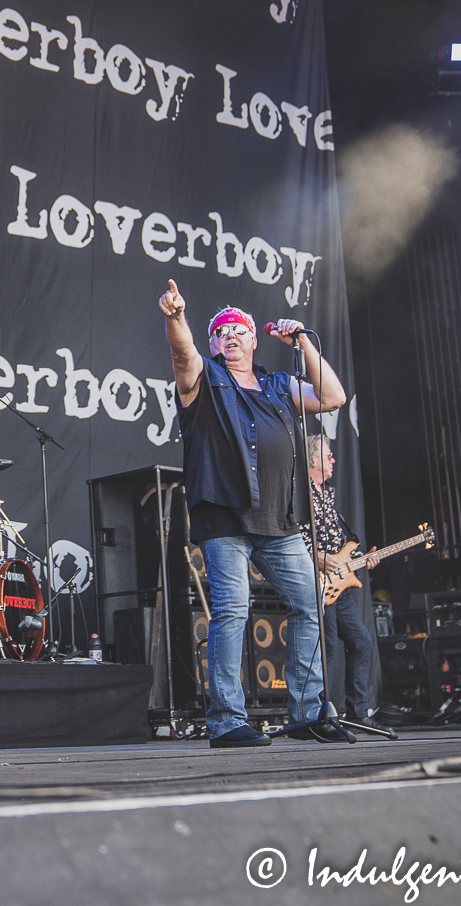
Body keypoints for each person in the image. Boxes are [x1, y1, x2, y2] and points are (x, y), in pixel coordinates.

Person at [159, 278, 347, 747]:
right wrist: (176, 318)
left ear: (254, 337)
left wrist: (301, 341)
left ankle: (306, 713)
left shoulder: (278, 384)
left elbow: (332, 398)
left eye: (239, 328)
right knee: (232, 611)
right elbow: (183, 358)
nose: (231, 335)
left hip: (279, 520)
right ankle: (226, 721)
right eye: (221, 331)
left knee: (310, 605)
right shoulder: (205, 380)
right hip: (225, 518)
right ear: (213, 343)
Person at [306, 434, 377, 728]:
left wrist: (363, 558)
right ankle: (315, 714)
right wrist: (317, 556)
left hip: (340, 584)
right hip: (317, 583)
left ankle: (358, 712)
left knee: (361, 642)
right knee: (327, 650)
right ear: (312, 460)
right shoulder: (302, 495)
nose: (333, 460)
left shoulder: (328, 498)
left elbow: (341, 546)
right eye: (327, 455)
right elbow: (291, 536)